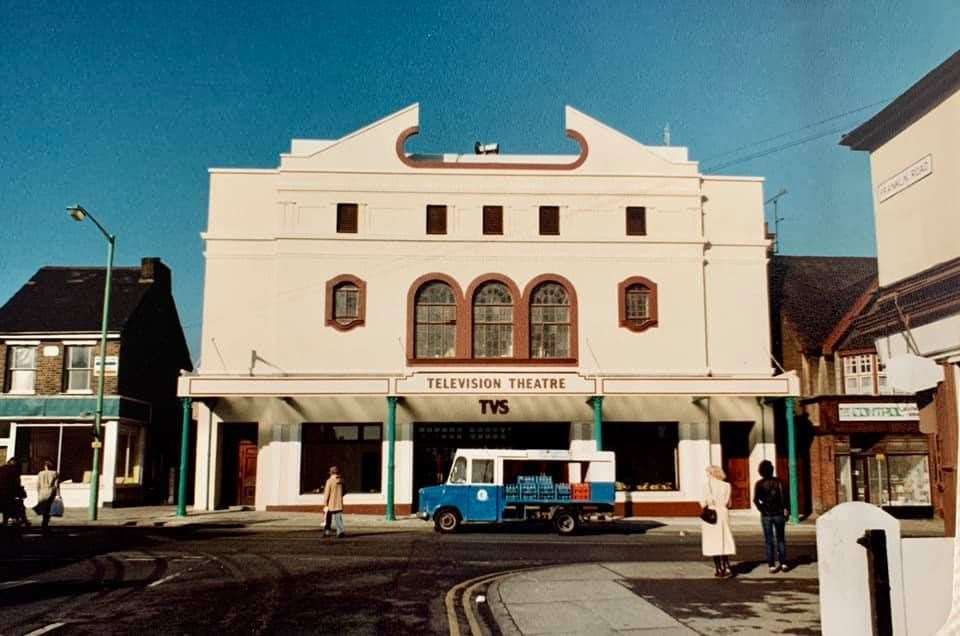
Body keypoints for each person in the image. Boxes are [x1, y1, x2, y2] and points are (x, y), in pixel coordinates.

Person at [754, 459, 789, 573]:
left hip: (766, 515)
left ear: (761, 471)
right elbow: (785, 497)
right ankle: (783, 563)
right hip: (779, 513)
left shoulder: (759, 484)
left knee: (769, 540)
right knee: (781, 539)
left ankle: (771, 565)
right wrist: (786, 509)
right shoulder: (780, 482)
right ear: (772, 470)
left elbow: (755, 500)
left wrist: (762, 509)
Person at [701, 465, 736, 577]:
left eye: (707, 473)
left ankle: (718, 568)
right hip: (723, 513)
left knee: (713, 541)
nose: (707, 475)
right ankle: (726, 565)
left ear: (711, 474)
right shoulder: (727, 485)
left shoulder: (706, 486)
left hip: (711, 514)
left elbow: (703, 503)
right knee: (724, 538)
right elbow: (728, 503)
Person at [33, 459, 59, 532]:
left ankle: (44, 523)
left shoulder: (40, 473)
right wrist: (58, 495)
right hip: (50, 492)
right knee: (48, 509)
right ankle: (45, 523)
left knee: (43, 508)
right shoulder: (55, 473)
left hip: (42, 492)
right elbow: (56, 485)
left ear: (45, 466)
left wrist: (38, 492)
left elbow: (38, 485)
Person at [322, 465, 345, 538]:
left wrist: (325, 503)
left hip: (330, 503)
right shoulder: (341, 480)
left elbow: (327, 493)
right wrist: (340, 496)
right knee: (338, 517)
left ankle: (327, 532)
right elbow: (345, 490)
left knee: (328, 518)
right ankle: (340, 532)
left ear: (331, 472)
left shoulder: (329, 481)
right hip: (338, 502)